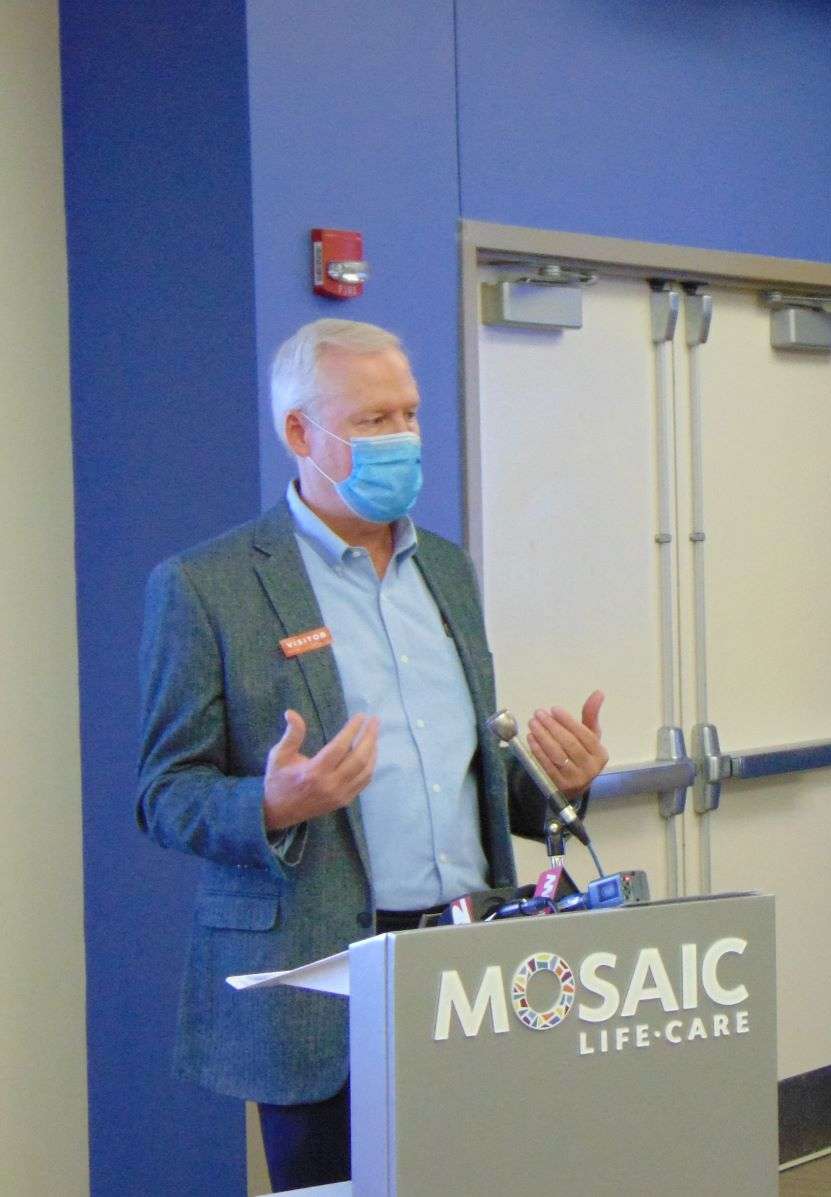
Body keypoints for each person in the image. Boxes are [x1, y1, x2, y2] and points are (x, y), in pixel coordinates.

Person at [136, 318, 608, 1191]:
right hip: (326, 978)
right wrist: (274, 803)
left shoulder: (450, 572)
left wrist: (558, 784)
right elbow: (164, 791)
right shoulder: (209, 586)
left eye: (410, 415)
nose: (401, 438)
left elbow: (468, 771)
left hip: (473, 960)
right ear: (299, 434)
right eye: (372, 420)